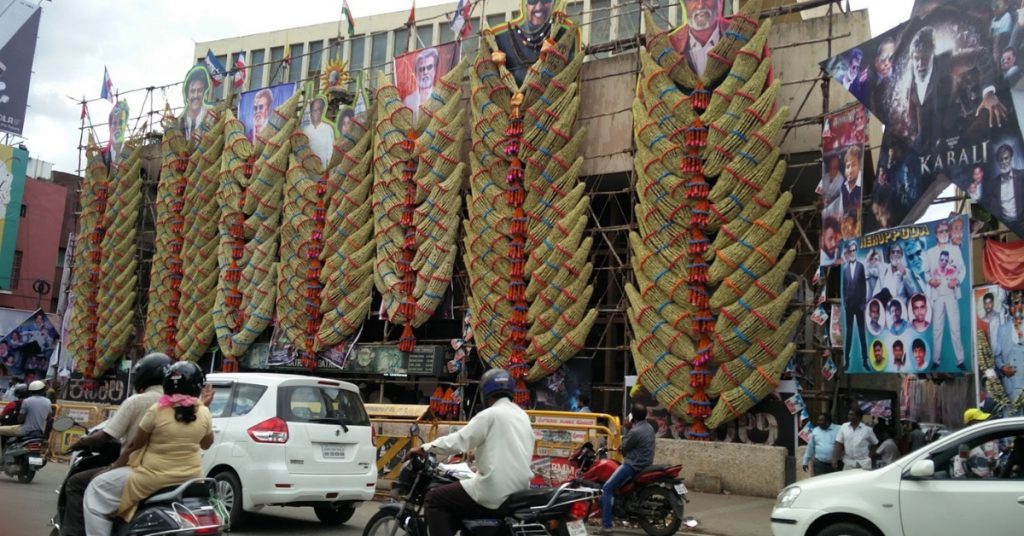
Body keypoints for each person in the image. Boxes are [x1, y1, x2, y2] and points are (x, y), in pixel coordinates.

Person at [83, 361, 214, 535]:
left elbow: (135, 445)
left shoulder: (157, 411)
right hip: (191, 478)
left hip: (153, 477)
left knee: (96, 488)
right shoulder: (204, 412)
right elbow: (206, 443)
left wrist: (113, 467)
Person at [407, 368, 534, 536]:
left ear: (486, 393)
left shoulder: (490, 414)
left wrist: (425, 448)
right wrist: (479, 452)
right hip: (519, 491)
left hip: (493, 490)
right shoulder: (522, 416)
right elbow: (510, 447)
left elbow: (459, 440)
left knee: (434, 499)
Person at [61, 353, 173, 536]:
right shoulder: (184, 405)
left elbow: (107, 435)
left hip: (139, 469)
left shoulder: (137, 401)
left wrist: (82, 442)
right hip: (174, 471)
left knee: (77, 483)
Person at [600, 403, 655, 534]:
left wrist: (627, 428)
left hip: (633, 465)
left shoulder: (635, 431)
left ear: (632, 417)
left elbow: (624, 447)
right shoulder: (650, 428)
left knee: (607, 488)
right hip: (646, 463)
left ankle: (606, 525)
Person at [493, 0, 560, 86]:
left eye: (545, 0)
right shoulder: (503, 38)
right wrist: (498, 64)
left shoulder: (563, 34)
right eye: (533, 1)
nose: (539, 6)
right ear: (525, 4)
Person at [669, 0, 726, 77]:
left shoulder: (738, 34)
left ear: (719, 2)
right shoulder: (670, 44)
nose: (700, 6)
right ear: (685, 5)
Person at [842, 241, 869, 371]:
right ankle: (847, 361)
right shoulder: (845, 269)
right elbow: (844, 288)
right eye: (850, 251)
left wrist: (863, 303)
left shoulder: (861, 266)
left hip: (859, 306)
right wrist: (845, 303)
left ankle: (865, 361)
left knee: (861, 332)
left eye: (854, 250)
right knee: (849, 334)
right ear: (848, 253)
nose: (852, 253)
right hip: (849, 306)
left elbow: (864, 286)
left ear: (856, 251)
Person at [994, 296, 1024, 403]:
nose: (1019, 307)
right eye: (1015, 303)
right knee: (1012, 418)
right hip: (1010, 387)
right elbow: (997, 357)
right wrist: (1002, 367)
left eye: (1022, 303)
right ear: (1010, 308)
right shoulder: (1002, 330)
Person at [985, 143, 1024, 221]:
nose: (1004, 162)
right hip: (1005, 224)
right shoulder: (993, 184)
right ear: (998, 162)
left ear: (1011, 158)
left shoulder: (1022, 175)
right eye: (1001, 159)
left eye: (1006, 158)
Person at [404, 48, 439, 122]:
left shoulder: (440, 96)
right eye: (421, 69)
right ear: (416, 73)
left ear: (435, 70)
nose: (425, 72)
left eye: (429, 67)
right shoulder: (408, 100)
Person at [302, 97, 335, 167]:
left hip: (323, 168)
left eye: (319, 110)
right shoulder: (306, 130)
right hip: (309, 168)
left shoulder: (328, 128)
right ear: (311, 112)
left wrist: (329, 166)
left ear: (322, 111)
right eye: (315, 110)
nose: (317, 113)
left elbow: (331, 150)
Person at [179, 68, 209, 141]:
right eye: (192, 91)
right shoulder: (179, 122)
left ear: (204, 93)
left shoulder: (209, 118)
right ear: (187, 95)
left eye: (199, 91)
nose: (196, 95)